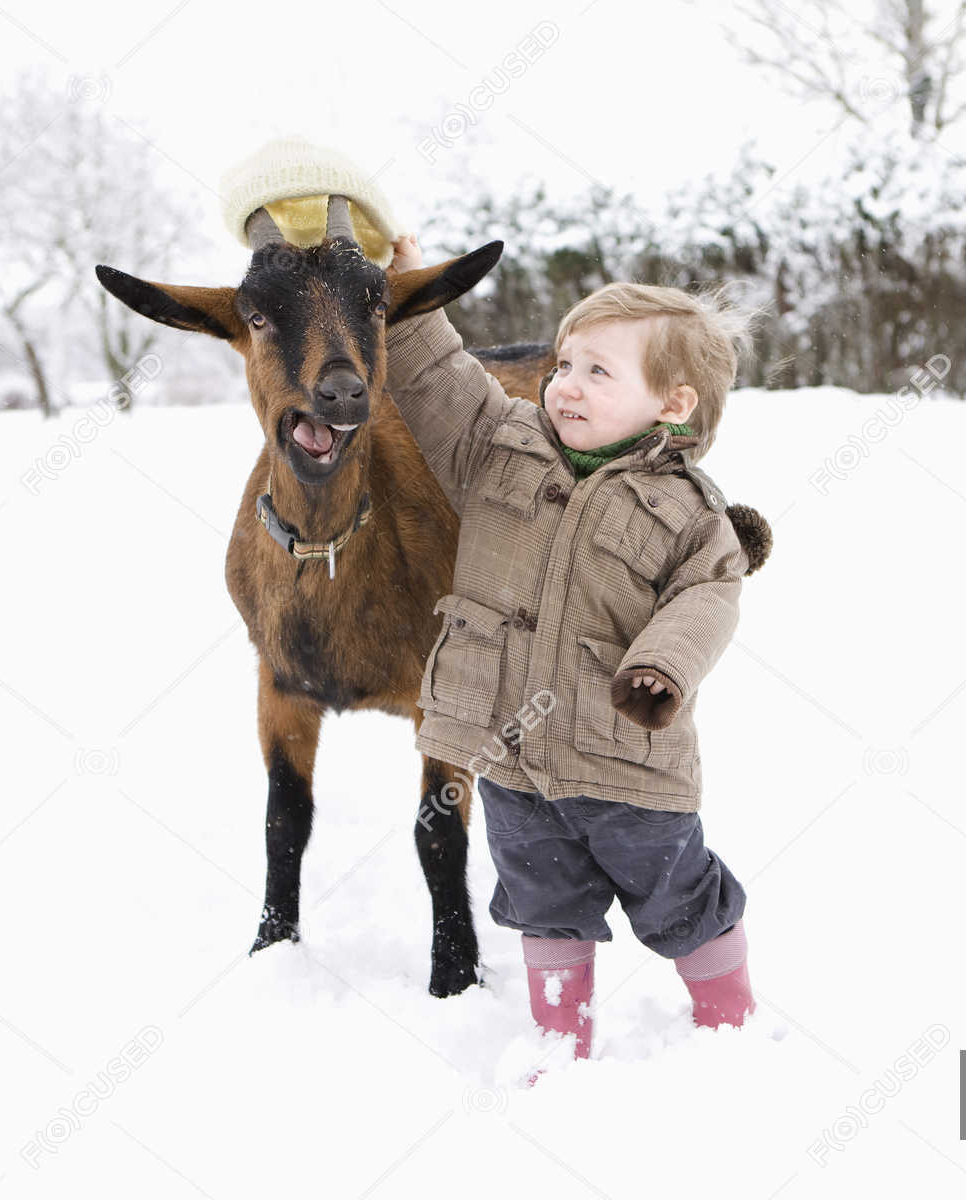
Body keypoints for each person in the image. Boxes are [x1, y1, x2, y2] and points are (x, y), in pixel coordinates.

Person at [387, 232, 766, 1067]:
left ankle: (732, 1027)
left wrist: (661, 666)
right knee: (541, 900)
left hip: (627, 761)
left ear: (674, 404)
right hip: (510, 753)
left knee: (677, 900)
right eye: (564, 364)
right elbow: (435, 379)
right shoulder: (497, 448)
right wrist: (411, 295)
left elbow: (708, 597)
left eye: (599, 372)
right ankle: (561, 1044)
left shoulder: (688, 514)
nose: (565, 385)